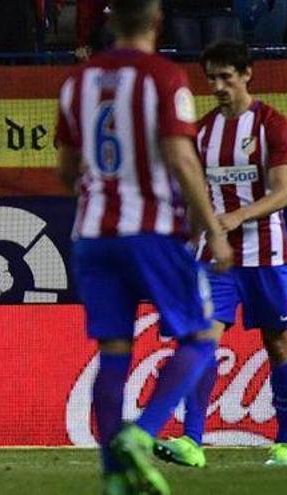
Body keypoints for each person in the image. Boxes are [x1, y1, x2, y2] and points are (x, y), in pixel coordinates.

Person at [55, 0, 234, 493]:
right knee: (199, 337)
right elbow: (180, 157)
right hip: (152, 230)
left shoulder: (78, 81)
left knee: (113, 350)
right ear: (158, 22)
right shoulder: (165, 77)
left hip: (92, 237)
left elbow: (67, 170)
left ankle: (114, 479)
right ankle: (143, 432)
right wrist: (212, 228)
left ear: (110, 22)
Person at [154, 40, 287, 468]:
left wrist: (237, 216)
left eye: (227, 77)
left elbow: (283, 192)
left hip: (266, 254)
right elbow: (197, 199)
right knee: (202, 340)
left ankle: (285, 442)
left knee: (279, 344)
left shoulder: (272, 126)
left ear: (247, 74)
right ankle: (193, 441)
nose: (219, 86)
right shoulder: (205, 132)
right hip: (218, 258)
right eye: (212, 78)